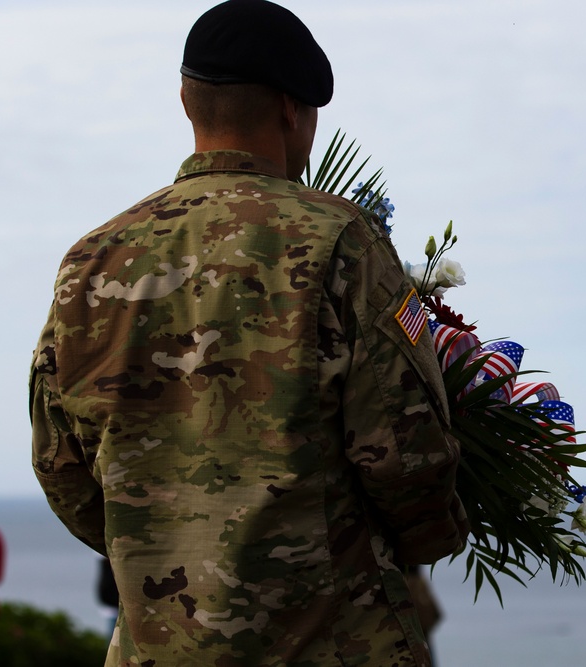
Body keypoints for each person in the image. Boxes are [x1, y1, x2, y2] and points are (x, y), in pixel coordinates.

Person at [29, 1, 468, 665]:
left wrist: (165, 549)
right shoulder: (340, 240)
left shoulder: (89, 263)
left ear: (186, 101)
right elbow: (408, 455)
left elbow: (60, 466)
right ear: (292, 110)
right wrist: (423, 538)